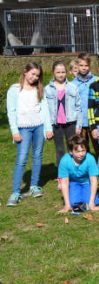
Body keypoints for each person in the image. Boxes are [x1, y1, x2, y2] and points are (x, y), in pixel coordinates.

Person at [6, 63, 54, 206]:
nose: (34, 77)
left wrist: (48, 127)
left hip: (39, 126)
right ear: (25, 72)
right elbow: (11, 111)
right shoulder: (14, 90)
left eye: (37, 75)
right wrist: (15, 131)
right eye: (32, 74)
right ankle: (15, 192)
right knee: (22, 158)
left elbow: (44, 109)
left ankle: (34, 186)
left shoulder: (39, 89)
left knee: (37, 155)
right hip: (23, 129)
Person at [45, 61, 82, 168]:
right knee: (60, 149)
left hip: (70, 123)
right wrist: (48, 127)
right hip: (56, 125)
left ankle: (75, 169)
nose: (61, 74)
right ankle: (62, 173)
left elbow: (78, 107)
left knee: (73, 147)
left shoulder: (72, 87)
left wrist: (78, 125)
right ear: (53, 73)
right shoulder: (47, 89)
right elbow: (45, 110)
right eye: (58, 72)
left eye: (63, 72)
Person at [57, 135, 99, 213]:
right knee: (73, 203)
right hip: (74, 182)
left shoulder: (90, 159)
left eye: (83, 150)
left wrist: (91, 204)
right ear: (71, 152)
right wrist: (67, 205)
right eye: (77, 151)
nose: (81, 154)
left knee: (92, 202)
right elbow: (64, 182)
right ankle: (73, 199)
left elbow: (94, 181)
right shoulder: (64, 160)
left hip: (88, 182)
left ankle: (90, 200)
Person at [72, 53, 99, 157]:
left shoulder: (97, 80)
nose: (84, 68)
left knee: (98, 146)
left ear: (90, 66)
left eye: (86, 65)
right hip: (81, 121)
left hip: (95, 120)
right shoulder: (73, 84)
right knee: (82, 147)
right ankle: (85, 169)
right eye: (81, 65)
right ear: (77, 66)